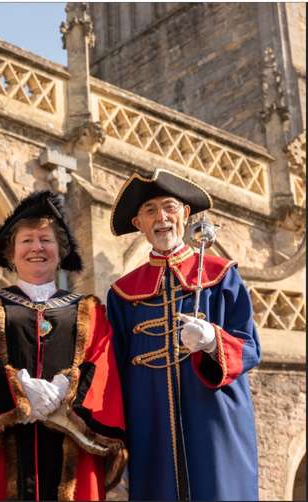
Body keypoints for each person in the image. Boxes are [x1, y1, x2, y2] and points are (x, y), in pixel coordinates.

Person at [0, 191, 126, 501]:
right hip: (2, 450)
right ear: (11, 253)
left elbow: (101, 362)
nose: (36, 247)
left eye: (46, 240)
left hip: (72, 450)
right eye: (26, 241)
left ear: (60, 251)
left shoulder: (90, 310)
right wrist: (19, 390)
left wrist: (68, 389)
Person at [106, 169, 261, 500]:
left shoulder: (222, 276)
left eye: (170, 206)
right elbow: (113, 372)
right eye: (150, 211)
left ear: (186, 214)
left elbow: (250, 348)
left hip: (216, 422)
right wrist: (112, 443)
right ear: (138, 224)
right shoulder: (121, 294)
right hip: (149, 429)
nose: (161, 217)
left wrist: (212, 341)